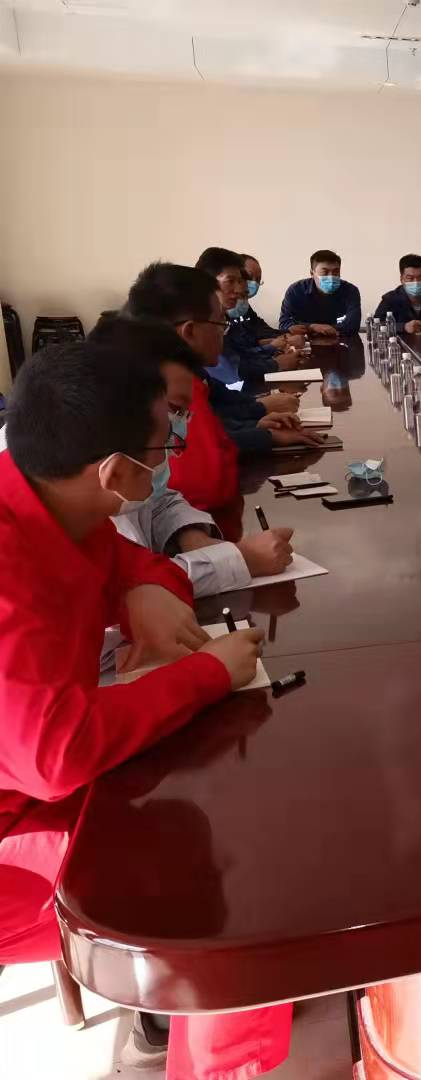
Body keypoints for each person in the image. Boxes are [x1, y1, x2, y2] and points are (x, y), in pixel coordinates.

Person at [0, 341, 276, 1070]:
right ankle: (211, 1040)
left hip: (34, 782)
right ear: (115, 472)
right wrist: (208, 673)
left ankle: (174, 1008)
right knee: (241, 881)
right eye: (163, 447)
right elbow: (55, 756)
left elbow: (133, 561)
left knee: (214, 798)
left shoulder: (48, 498)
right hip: (17, 838)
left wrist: (145, 587)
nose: (169, 458)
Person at [85, 316, 294, 594]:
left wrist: (191, 536)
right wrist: (242, 560)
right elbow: (128, 589)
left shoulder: (129, 452)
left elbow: (158, 498)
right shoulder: (78, 480)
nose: (179, 425)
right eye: (174, 408)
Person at [124, 262, 321, 460]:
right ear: (190, 331)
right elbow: (203, 443)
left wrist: (256, 425)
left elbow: (215, 420)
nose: (224, 331)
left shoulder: (189, 371)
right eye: (221, 323)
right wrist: (264, 432)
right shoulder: (161, 391)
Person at [197, 247, 302, 383]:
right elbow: (232, 372)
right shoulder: (202, 320)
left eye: (240, 281)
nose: (241, 289)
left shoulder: (224, 316)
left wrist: (280, 341)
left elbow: (240, 353)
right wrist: (276, 363)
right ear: (207, 281)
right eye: (230, 281)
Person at [278, 249, 362, 337]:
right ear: (312, 273)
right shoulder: (296, 291)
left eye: (336, 272)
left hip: (340, 342)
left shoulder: (350, 291)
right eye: (325, 272)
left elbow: (353, 326)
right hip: (303, 342)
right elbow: (284, 324)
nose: (331, 277)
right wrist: (312, 327)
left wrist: (312, 328)